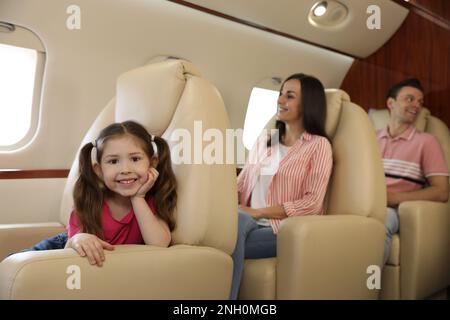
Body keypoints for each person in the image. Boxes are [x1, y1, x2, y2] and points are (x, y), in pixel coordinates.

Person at [230, 73, 333, 299]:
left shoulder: (319, 146)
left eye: (290, 96)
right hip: (247, 222)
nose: (280, 100)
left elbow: (312, 204)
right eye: (280, 94)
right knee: (223, 228)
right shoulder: (265, 141)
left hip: (282, 230)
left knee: (228, 237)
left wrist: (257, 212)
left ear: (308, 104)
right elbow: (241, 184)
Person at [22, 121, 177, 267]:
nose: (125, 169)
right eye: (113, 161)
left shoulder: (151, 202)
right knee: (14, 264)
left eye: (135, 159)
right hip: (63, 246)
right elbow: (70, 246)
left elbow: (159, 244)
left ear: (152, 163)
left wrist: (138, 198)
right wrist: (79, 239)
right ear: (99, 171)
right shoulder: (91, 200)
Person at [377, 78, 449, 264]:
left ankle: (367, 288)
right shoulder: (370, 137)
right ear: (390, 103)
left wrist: (393, 198)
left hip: (392, 210)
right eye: (410, 99)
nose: (416, 105)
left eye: (420, 102)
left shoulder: (427, 142)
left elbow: (442, 191)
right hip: (363, 204)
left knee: (380, 223)